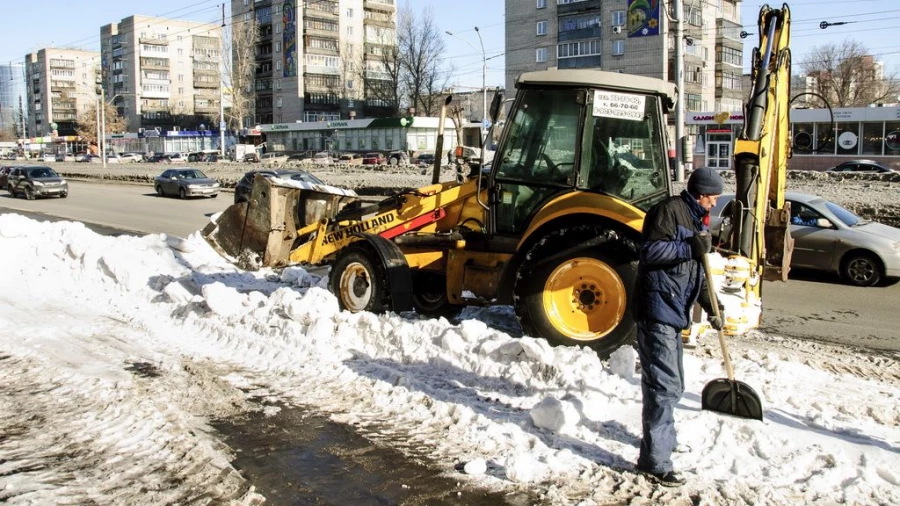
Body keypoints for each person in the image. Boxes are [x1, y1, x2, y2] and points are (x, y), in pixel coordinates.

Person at [633, 167, 725, 487]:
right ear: (701, 194)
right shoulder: (669, 212)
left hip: (672, 313)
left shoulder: (695, 219)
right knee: (664, 386)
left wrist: (714, 308)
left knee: (673, 384)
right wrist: (690, 247)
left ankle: (663, 441)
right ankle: (654, 463)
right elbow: (650, 252)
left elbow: (698, 274)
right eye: (713, 198)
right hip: (656, 310)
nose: (714, 204)